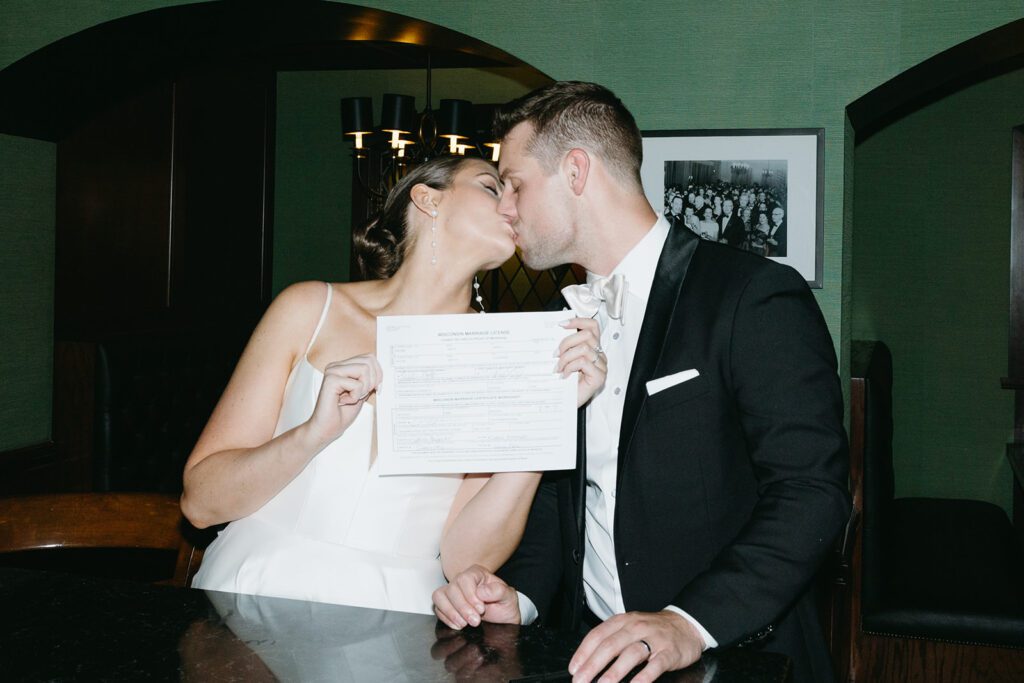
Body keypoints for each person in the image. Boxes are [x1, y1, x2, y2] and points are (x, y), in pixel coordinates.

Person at [431, 82, 849, 683]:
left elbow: (812, 492)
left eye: (516, 184)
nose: (506, 207)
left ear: (576, 171)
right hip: (590, 660)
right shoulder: (555, 322)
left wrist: (686, 622)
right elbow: (559, 497)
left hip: (735, 656)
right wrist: (517, 598)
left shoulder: (750, 296)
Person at [181, 155, 606, 615]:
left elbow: (467, 559)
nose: (511, 205)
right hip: (252, 593)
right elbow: (201, 504)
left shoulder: (499, 355)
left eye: (514, 193)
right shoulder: (308, 308)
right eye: (490, 187)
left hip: (396, 615)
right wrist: (312, 435)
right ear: (427, 199)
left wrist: (548, 414)